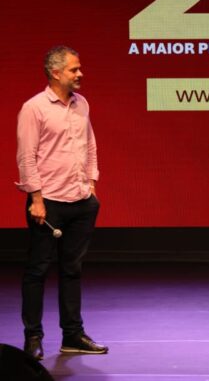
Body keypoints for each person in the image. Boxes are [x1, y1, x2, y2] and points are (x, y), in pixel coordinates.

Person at [16, 45, 108, 360]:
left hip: (81, 200)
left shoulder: (82, 104)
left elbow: (90, 145)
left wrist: (92, 184)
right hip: (49, 202)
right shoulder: (34, 108)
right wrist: (36, 198)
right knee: (38, 270)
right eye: (74, 69)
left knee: (72, 269)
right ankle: (33, 337)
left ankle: (72, 335)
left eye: (79, 68)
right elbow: (26, 156)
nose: (80, 74)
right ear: (56, 73)